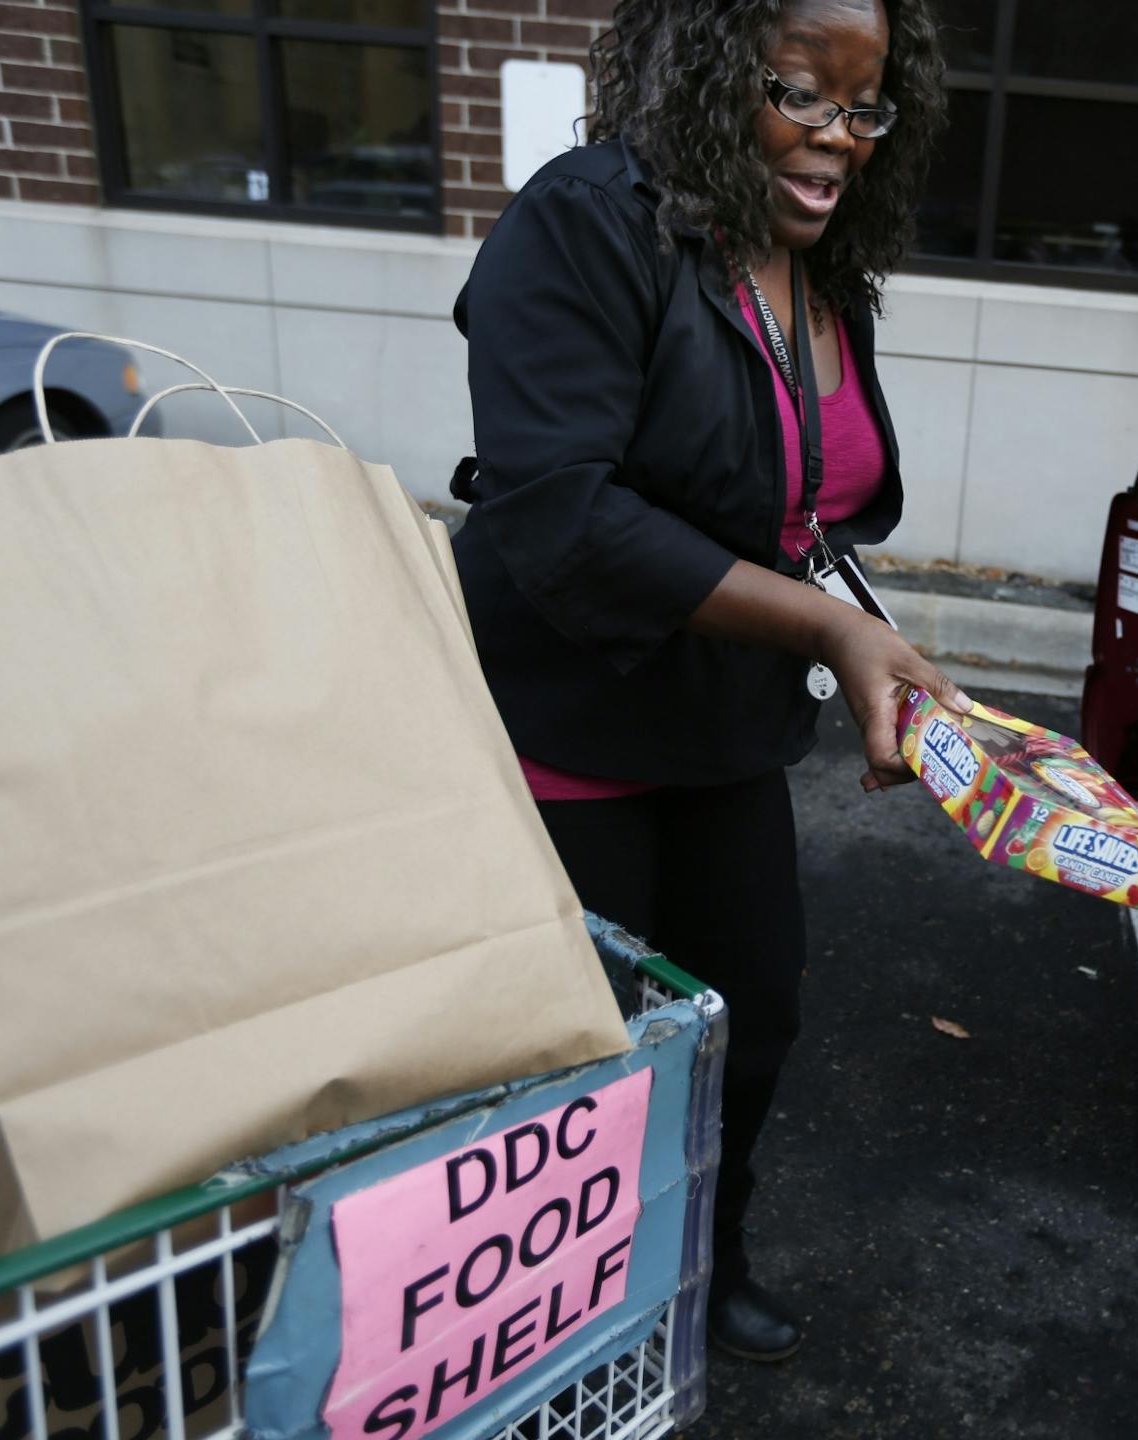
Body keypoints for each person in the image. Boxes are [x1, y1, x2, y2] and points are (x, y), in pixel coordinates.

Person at [449, 0, 955, 1363]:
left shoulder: (824, 264)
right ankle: (556, 1327)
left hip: (723, 731)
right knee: (580, 1065)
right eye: (801, 95)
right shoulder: (587, 220)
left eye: (866, 110)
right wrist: (827, 635)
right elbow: (557, 507)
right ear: (715, 66)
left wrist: (875, 640)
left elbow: (793, 516)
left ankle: (700, 1264)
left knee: (752, 1021)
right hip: (568, 727)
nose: (835, 144)